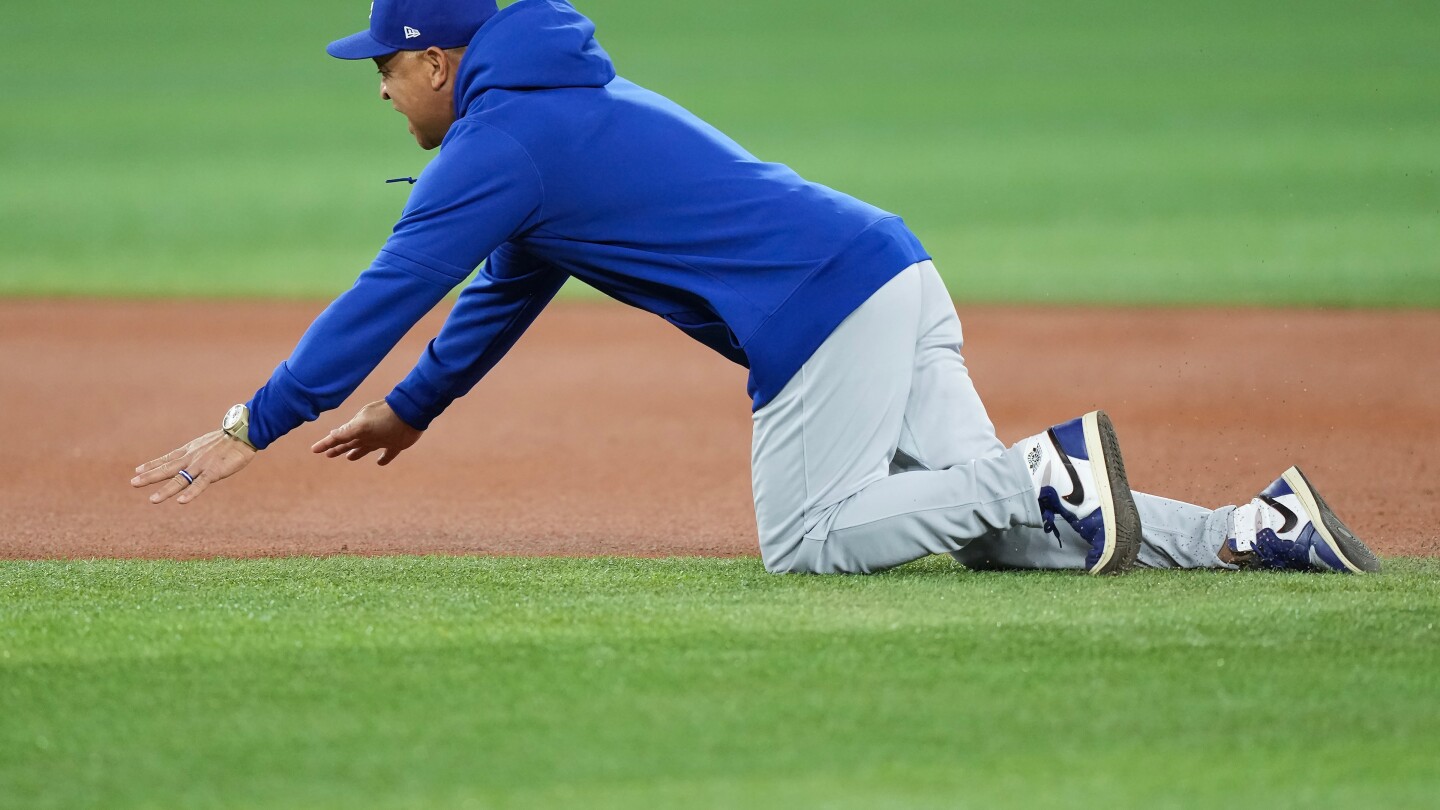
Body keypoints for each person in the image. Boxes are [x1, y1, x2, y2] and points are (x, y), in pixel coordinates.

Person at [131, 0, 1380, 576]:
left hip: (826, 316)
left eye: (386, 66)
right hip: (890, 272)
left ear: (437, 59)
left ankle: (1039, 466)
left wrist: (260, 421)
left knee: (812, 543)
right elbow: (514, 280)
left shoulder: (499, 142)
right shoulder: (549, 116)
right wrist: (419, 405)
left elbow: (388, 287)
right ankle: (1249, 532)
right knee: (1007, 536)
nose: (381, 87)